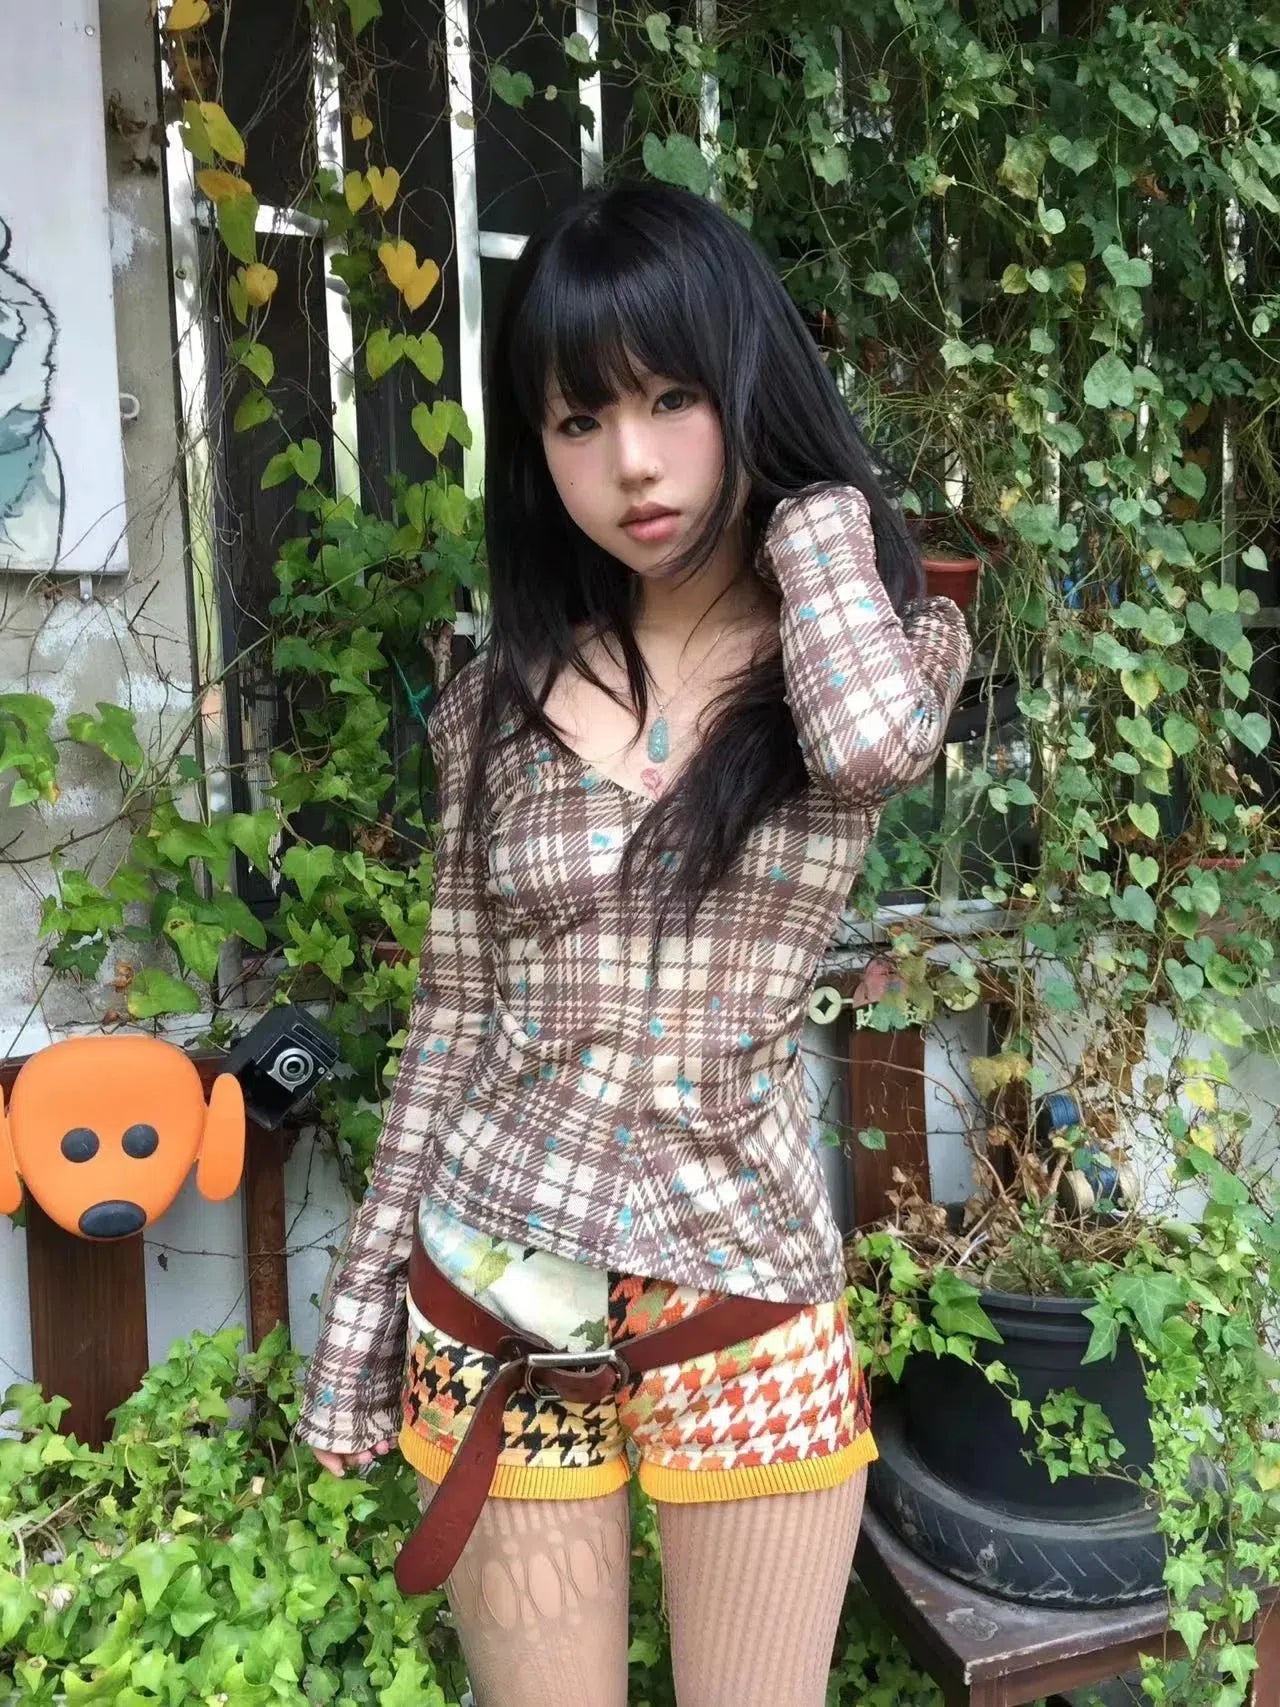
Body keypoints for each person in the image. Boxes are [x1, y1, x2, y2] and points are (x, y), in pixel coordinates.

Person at [296, 180, 971, 1707]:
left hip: (743, 1289)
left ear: (749, 387)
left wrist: (811, 508)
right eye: (578, 419)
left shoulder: (865, 649)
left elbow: (871, 752)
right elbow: (452, 1016)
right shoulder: (494, 705)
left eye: (674, 397)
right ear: (537, 453)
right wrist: (359, 1321)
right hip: (496, 1287)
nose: (634, 463)